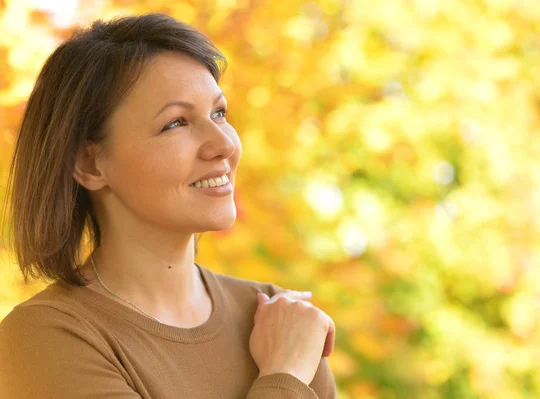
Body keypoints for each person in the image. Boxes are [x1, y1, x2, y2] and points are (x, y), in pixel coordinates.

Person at [0, 13, 337, 399]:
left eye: (219, 113)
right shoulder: (45, 338)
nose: (224, 145)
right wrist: (286, 374)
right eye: (176, 122)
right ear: (90, 164)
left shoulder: (279, 317)